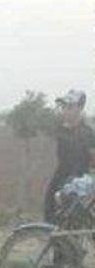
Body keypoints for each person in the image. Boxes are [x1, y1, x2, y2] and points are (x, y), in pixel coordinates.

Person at [45, 89, 95, 225]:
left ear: (80, 108)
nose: (65, 110)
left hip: (77, 182)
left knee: (71, 222)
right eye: (64, 106)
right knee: (51, 216)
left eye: (70, 107)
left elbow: (93, 159)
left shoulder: (87, 133)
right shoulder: (59, 129)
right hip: (60, 177)